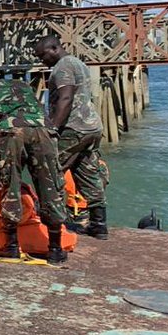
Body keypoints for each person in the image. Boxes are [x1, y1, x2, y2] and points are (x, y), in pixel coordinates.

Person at [0, 73, 68, 265]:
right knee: (51, 185)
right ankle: (55, 248)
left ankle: (11, 246)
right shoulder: (21, 84)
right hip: (44, 129)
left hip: (11, 131)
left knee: (8, 185)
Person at [33, 36, 108, 239]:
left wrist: (54, 127)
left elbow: (66, 97)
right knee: (88, 173)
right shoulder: (78, 63)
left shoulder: (62, 67)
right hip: (91, 127)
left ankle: (50, 225)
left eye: (43, 55)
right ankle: (99, 225)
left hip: (73, 128)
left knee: (49, 171)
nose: (42, 60)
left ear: (55, 48)